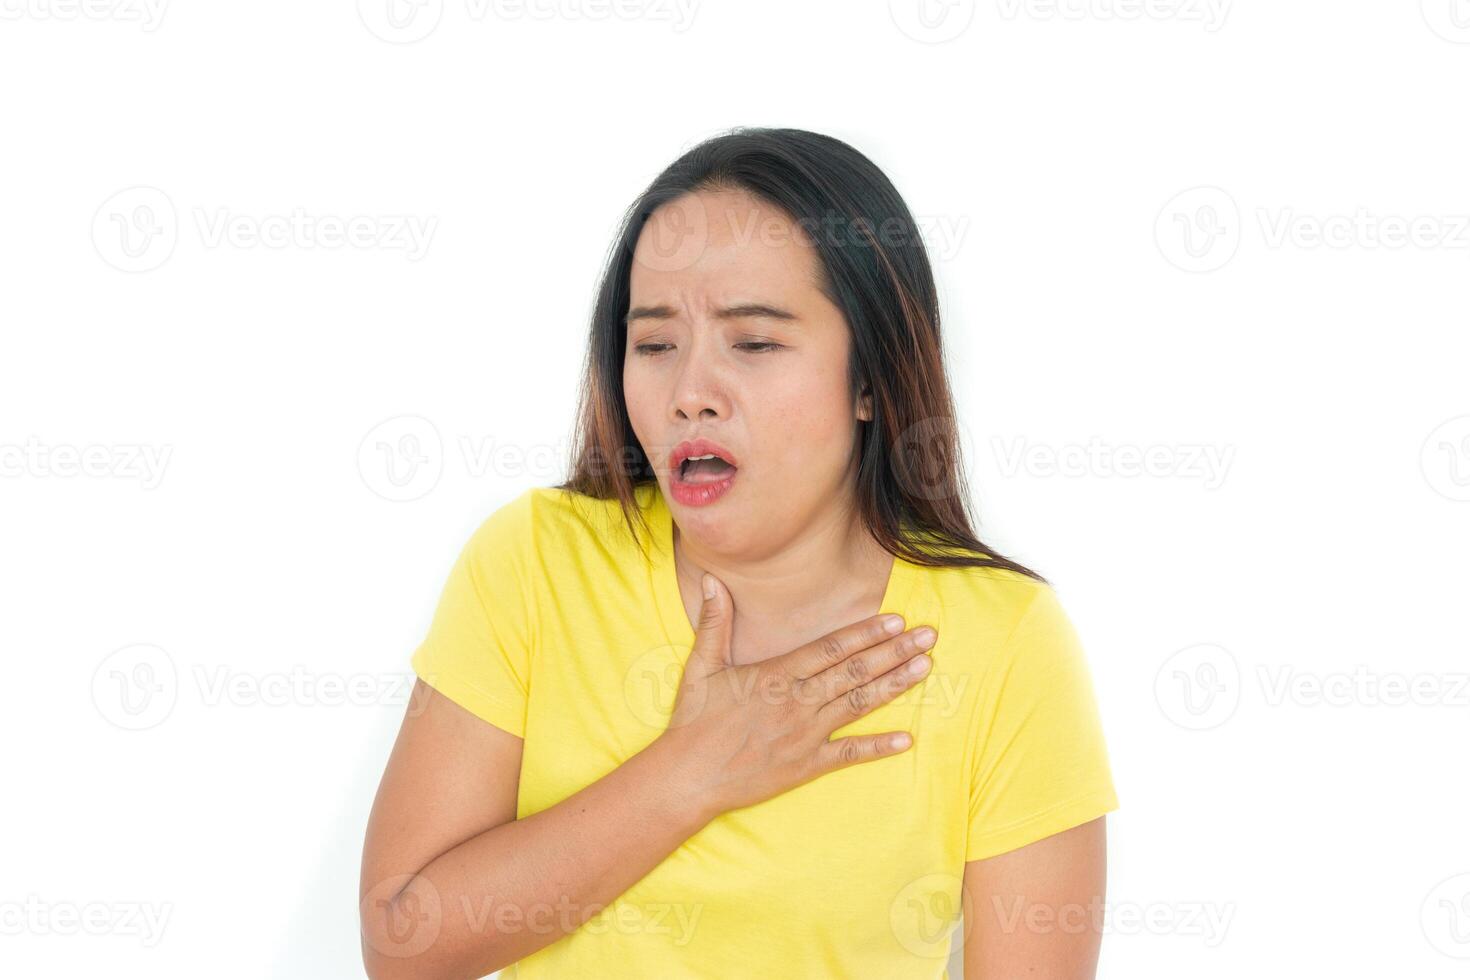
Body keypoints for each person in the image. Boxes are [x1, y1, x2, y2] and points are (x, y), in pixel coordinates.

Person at [360, 127, 1119, 979]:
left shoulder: (1006, 640)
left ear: (870, 378)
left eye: (753, 343)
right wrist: (693, 771)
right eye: (653, 345)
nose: (689, 394)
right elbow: (403, 943)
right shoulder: (533, 561)